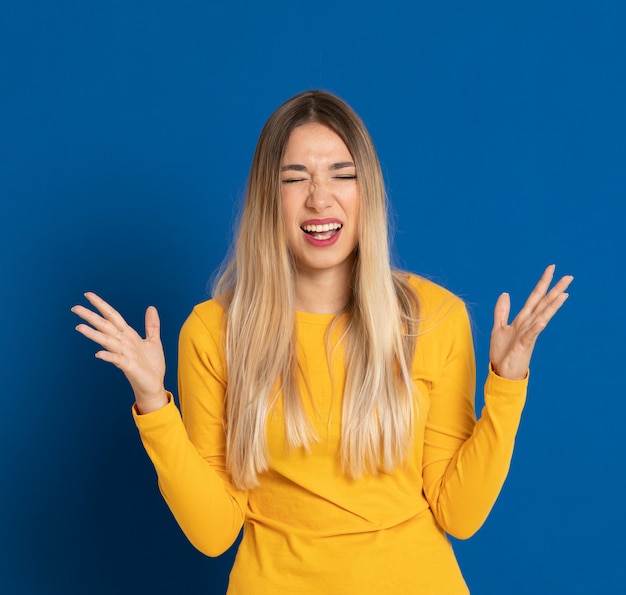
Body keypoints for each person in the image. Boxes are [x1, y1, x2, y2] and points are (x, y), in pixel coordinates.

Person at [72, 90, 573, 594]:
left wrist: (507, 385)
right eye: (295, 178)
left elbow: (459, 514)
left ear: (367, 191)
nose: (319, 197)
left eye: (342, 174)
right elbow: (213, 532)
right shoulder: (214, 331)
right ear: (269, 196)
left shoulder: (435, 318)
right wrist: (153, 403)